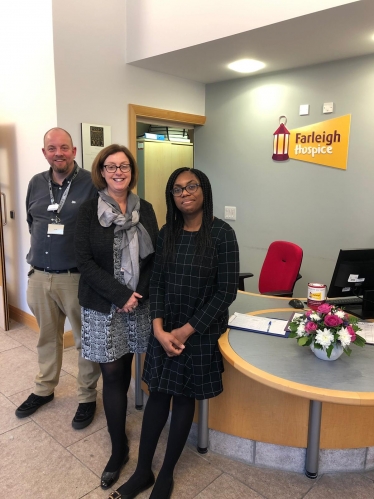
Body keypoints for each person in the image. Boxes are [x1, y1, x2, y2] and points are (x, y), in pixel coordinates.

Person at [112, 167, 240, 499]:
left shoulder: (222, 234)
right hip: (165, 328)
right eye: (177, 189)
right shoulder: (168, 232)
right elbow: (158, 283)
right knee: (158, 394)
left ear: (204, 190)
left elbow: (226, 292)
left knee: (183, 397)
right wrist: (158, 328)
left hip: (198, 330)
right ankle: (143, 471)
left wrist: (184, 331)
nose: (185, 193)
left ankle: (166, 475)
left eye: (191, 186)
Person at [74, 144, 159, 490]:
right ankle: (118, 448)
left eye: (124, 166)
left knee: (132, 366)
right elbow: (84, 261)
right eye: (111, 166)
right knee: (113, 373)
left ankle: (127, 437)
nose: (118, 172)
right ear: (101, 171)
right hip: (102, 305)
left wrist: (137, 295)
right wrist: (120, 295)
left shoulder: (147, 209)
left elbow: (156, 257)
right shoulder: (87, 210)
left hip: (139, 304)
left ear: (131, 172)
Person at [15, 128, 101, 429]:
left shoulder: (92, 183)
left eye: (64, 147)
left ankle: (86, 396)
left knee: (83, 340)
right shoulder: (35, 183)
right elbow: (32, 222)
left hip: (76, 278)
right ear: (44, 153)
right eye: (52, 148)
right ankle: (44, 389)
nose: (58, 153)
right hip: (40, 276)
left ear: (74, 151)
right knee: (46, 338)